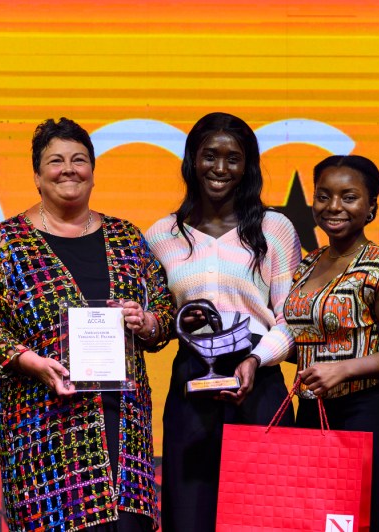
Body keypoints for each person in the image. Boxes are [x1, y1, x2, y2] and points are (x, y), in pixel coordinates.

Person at [0, 117, 174, 532]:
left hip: (122, 428)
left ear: (93, 172)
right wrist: (28, 360)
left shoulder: (126, 238)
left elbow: (164, 310)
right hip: (44, 432)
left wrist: (148, 322)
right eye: (55, 161)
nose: (69, 169)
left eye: (79, 159)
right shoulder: (7, 243)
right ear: (38, 176)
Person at [145, 111, 302, 532]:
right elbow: (158, 321)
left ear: (248, 165)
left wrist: (255, 360)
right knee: (190, 514)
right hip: (192, 383)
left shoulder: (275, 228)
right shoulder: (160, 235)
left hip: (261, 382)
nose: (219, 168)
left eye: (233, 158)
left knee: (263, 518)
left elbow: (292, 320)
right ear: (191, 160)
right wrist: (164, 321)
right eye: (209, 156)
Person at [283, 155, 379, 532]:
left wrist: (344, 369)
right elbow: (308, 342)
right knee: (309, 525)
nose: (333, 207)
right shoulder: (307, 264)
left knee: (356, 525)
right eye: (324, 196)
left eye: (349, 197)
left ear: (371, 207)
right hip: (311, 414)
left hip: (367, 414)